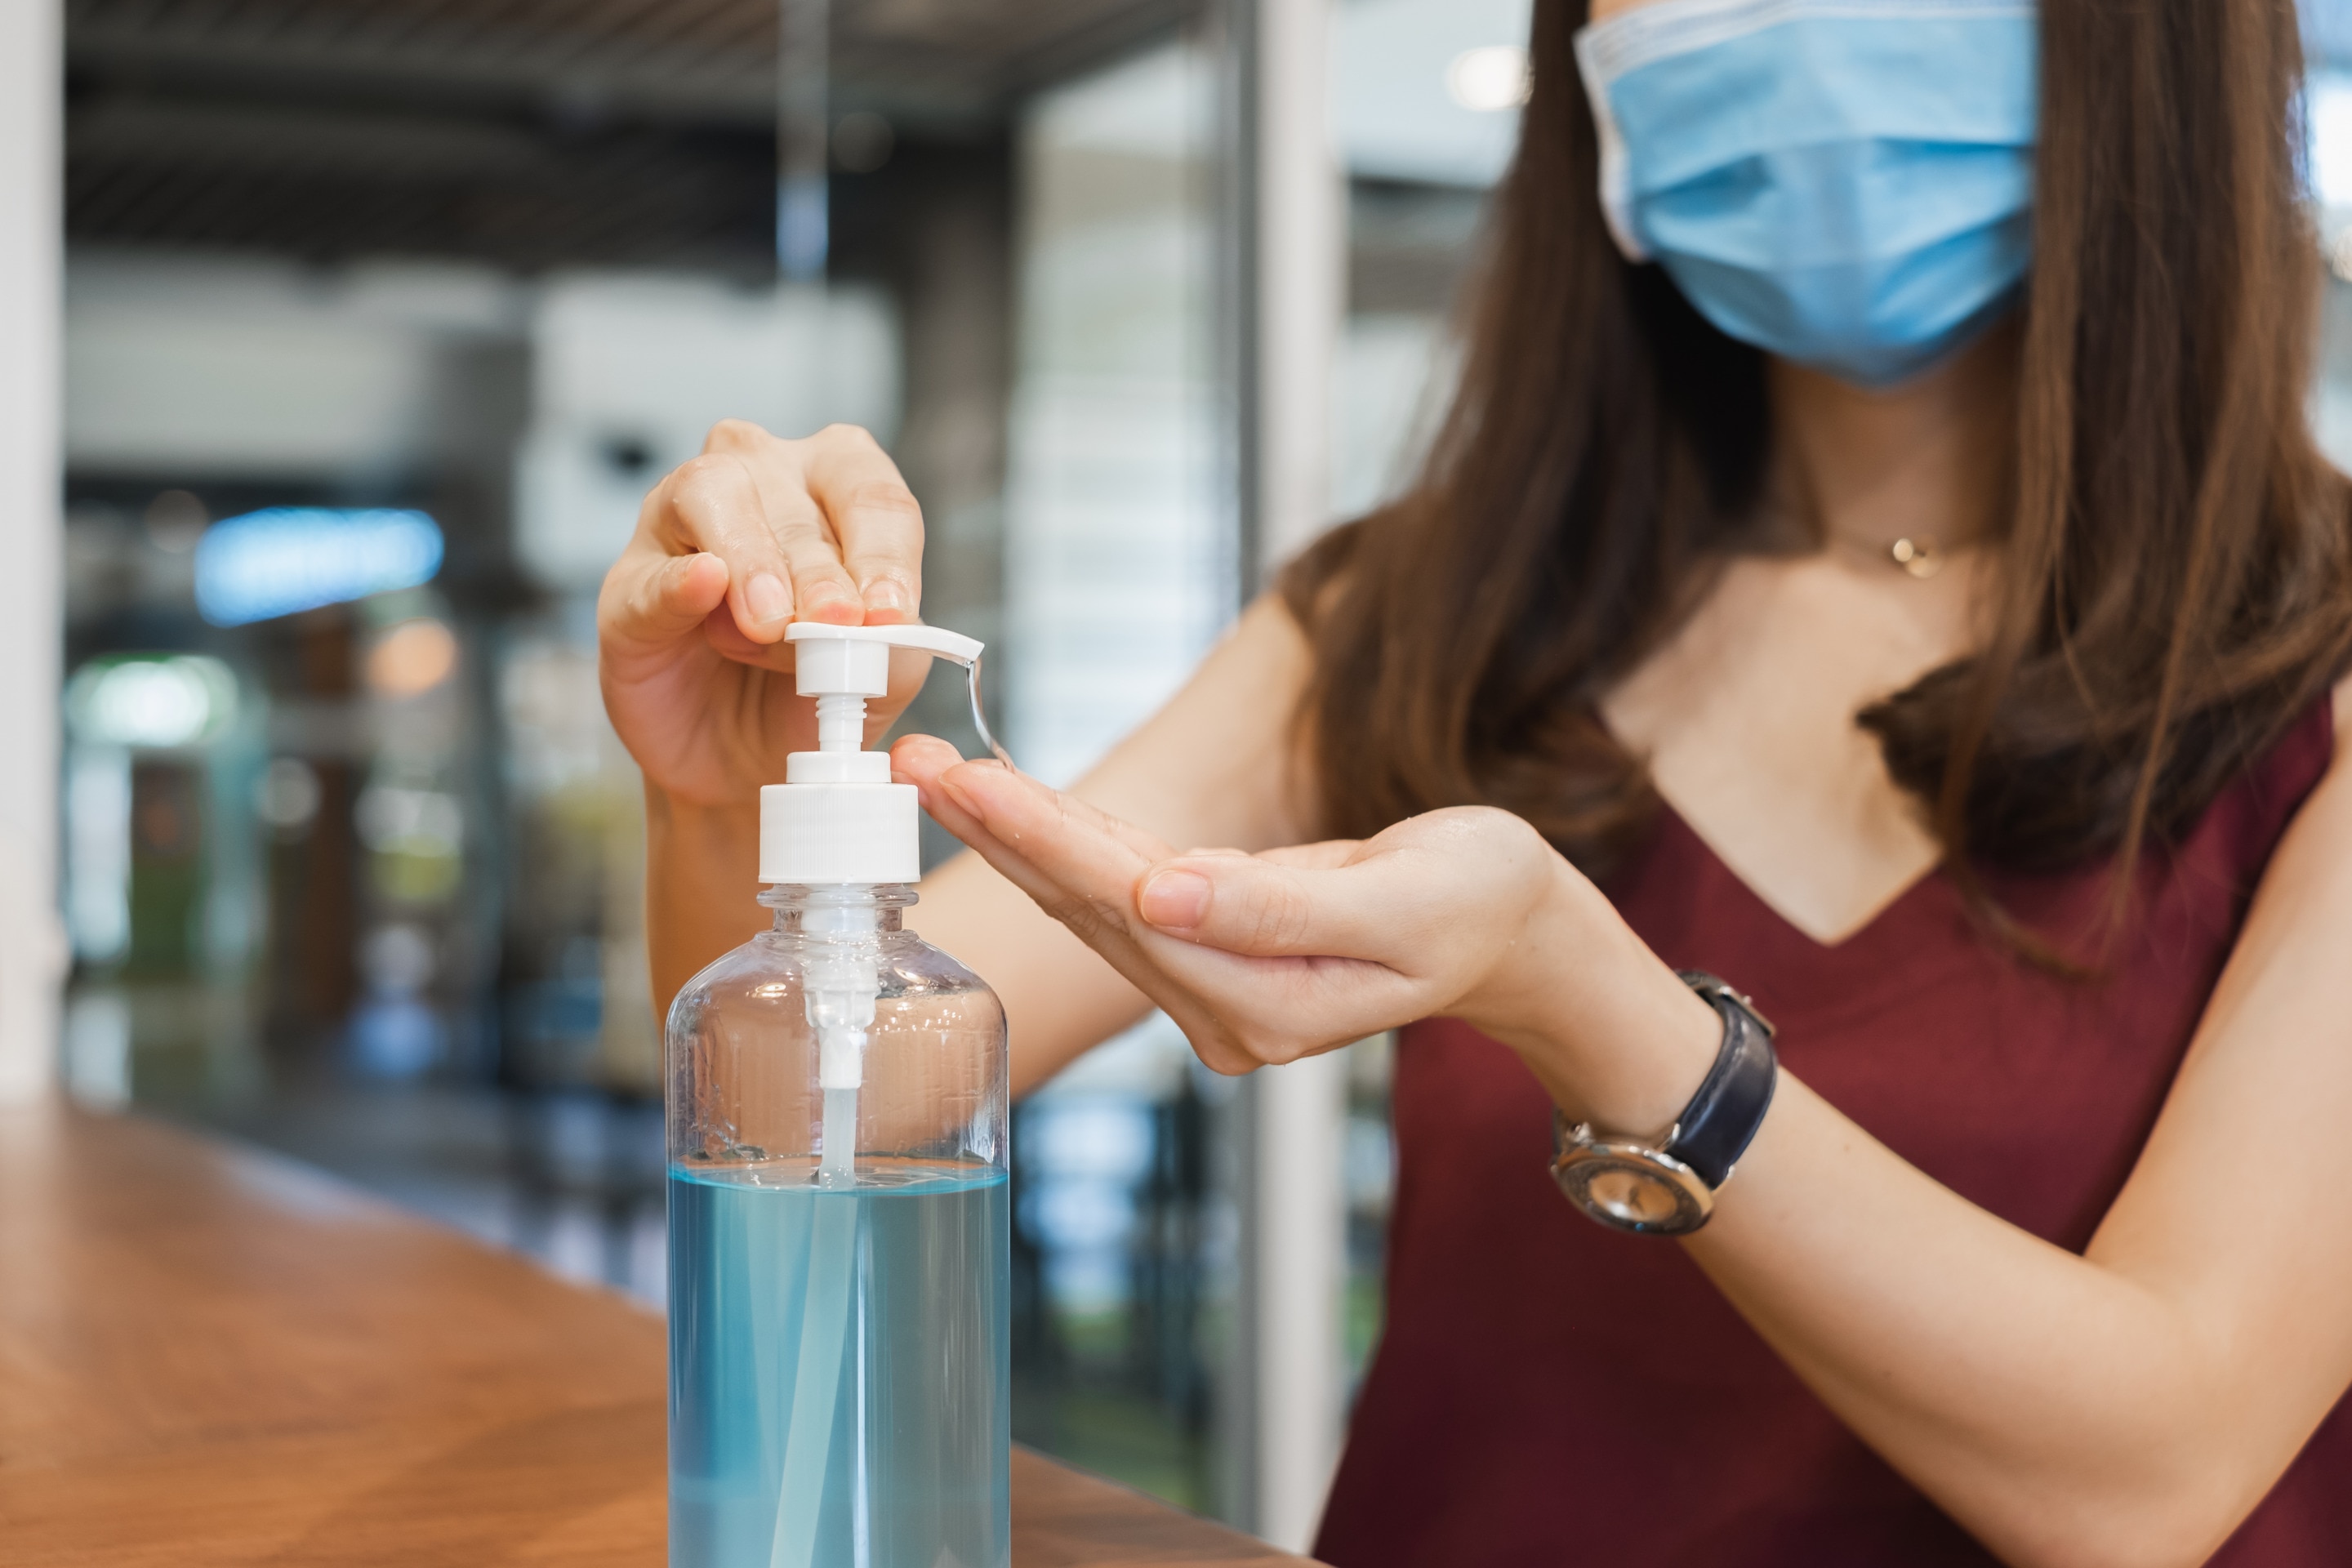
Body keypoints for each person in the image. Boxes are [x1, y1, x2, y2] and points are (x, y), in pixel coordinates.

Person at [599, 0, 2352, 1561]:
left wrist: (1603, 1012)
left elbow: (2153, 1477)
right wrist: (735, 795)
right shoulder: (1412, 616)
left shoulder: (2318, 671)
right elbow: (836, 1103)